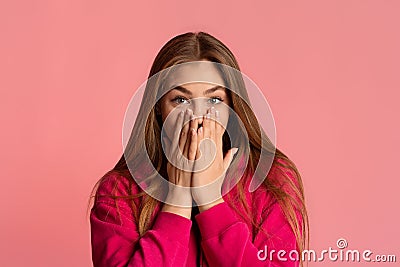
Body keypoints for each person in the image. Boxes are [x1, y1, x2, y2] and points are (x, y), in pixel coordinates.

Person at [88, 31, 309, 267]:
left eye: (214, 100)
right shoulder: (119, 191)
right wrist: (178, 198)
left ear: (232, 107)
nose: (198, 116)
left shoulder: (272, 180)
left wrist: (211, 201)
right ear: (158, 108)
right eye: (180, 100)